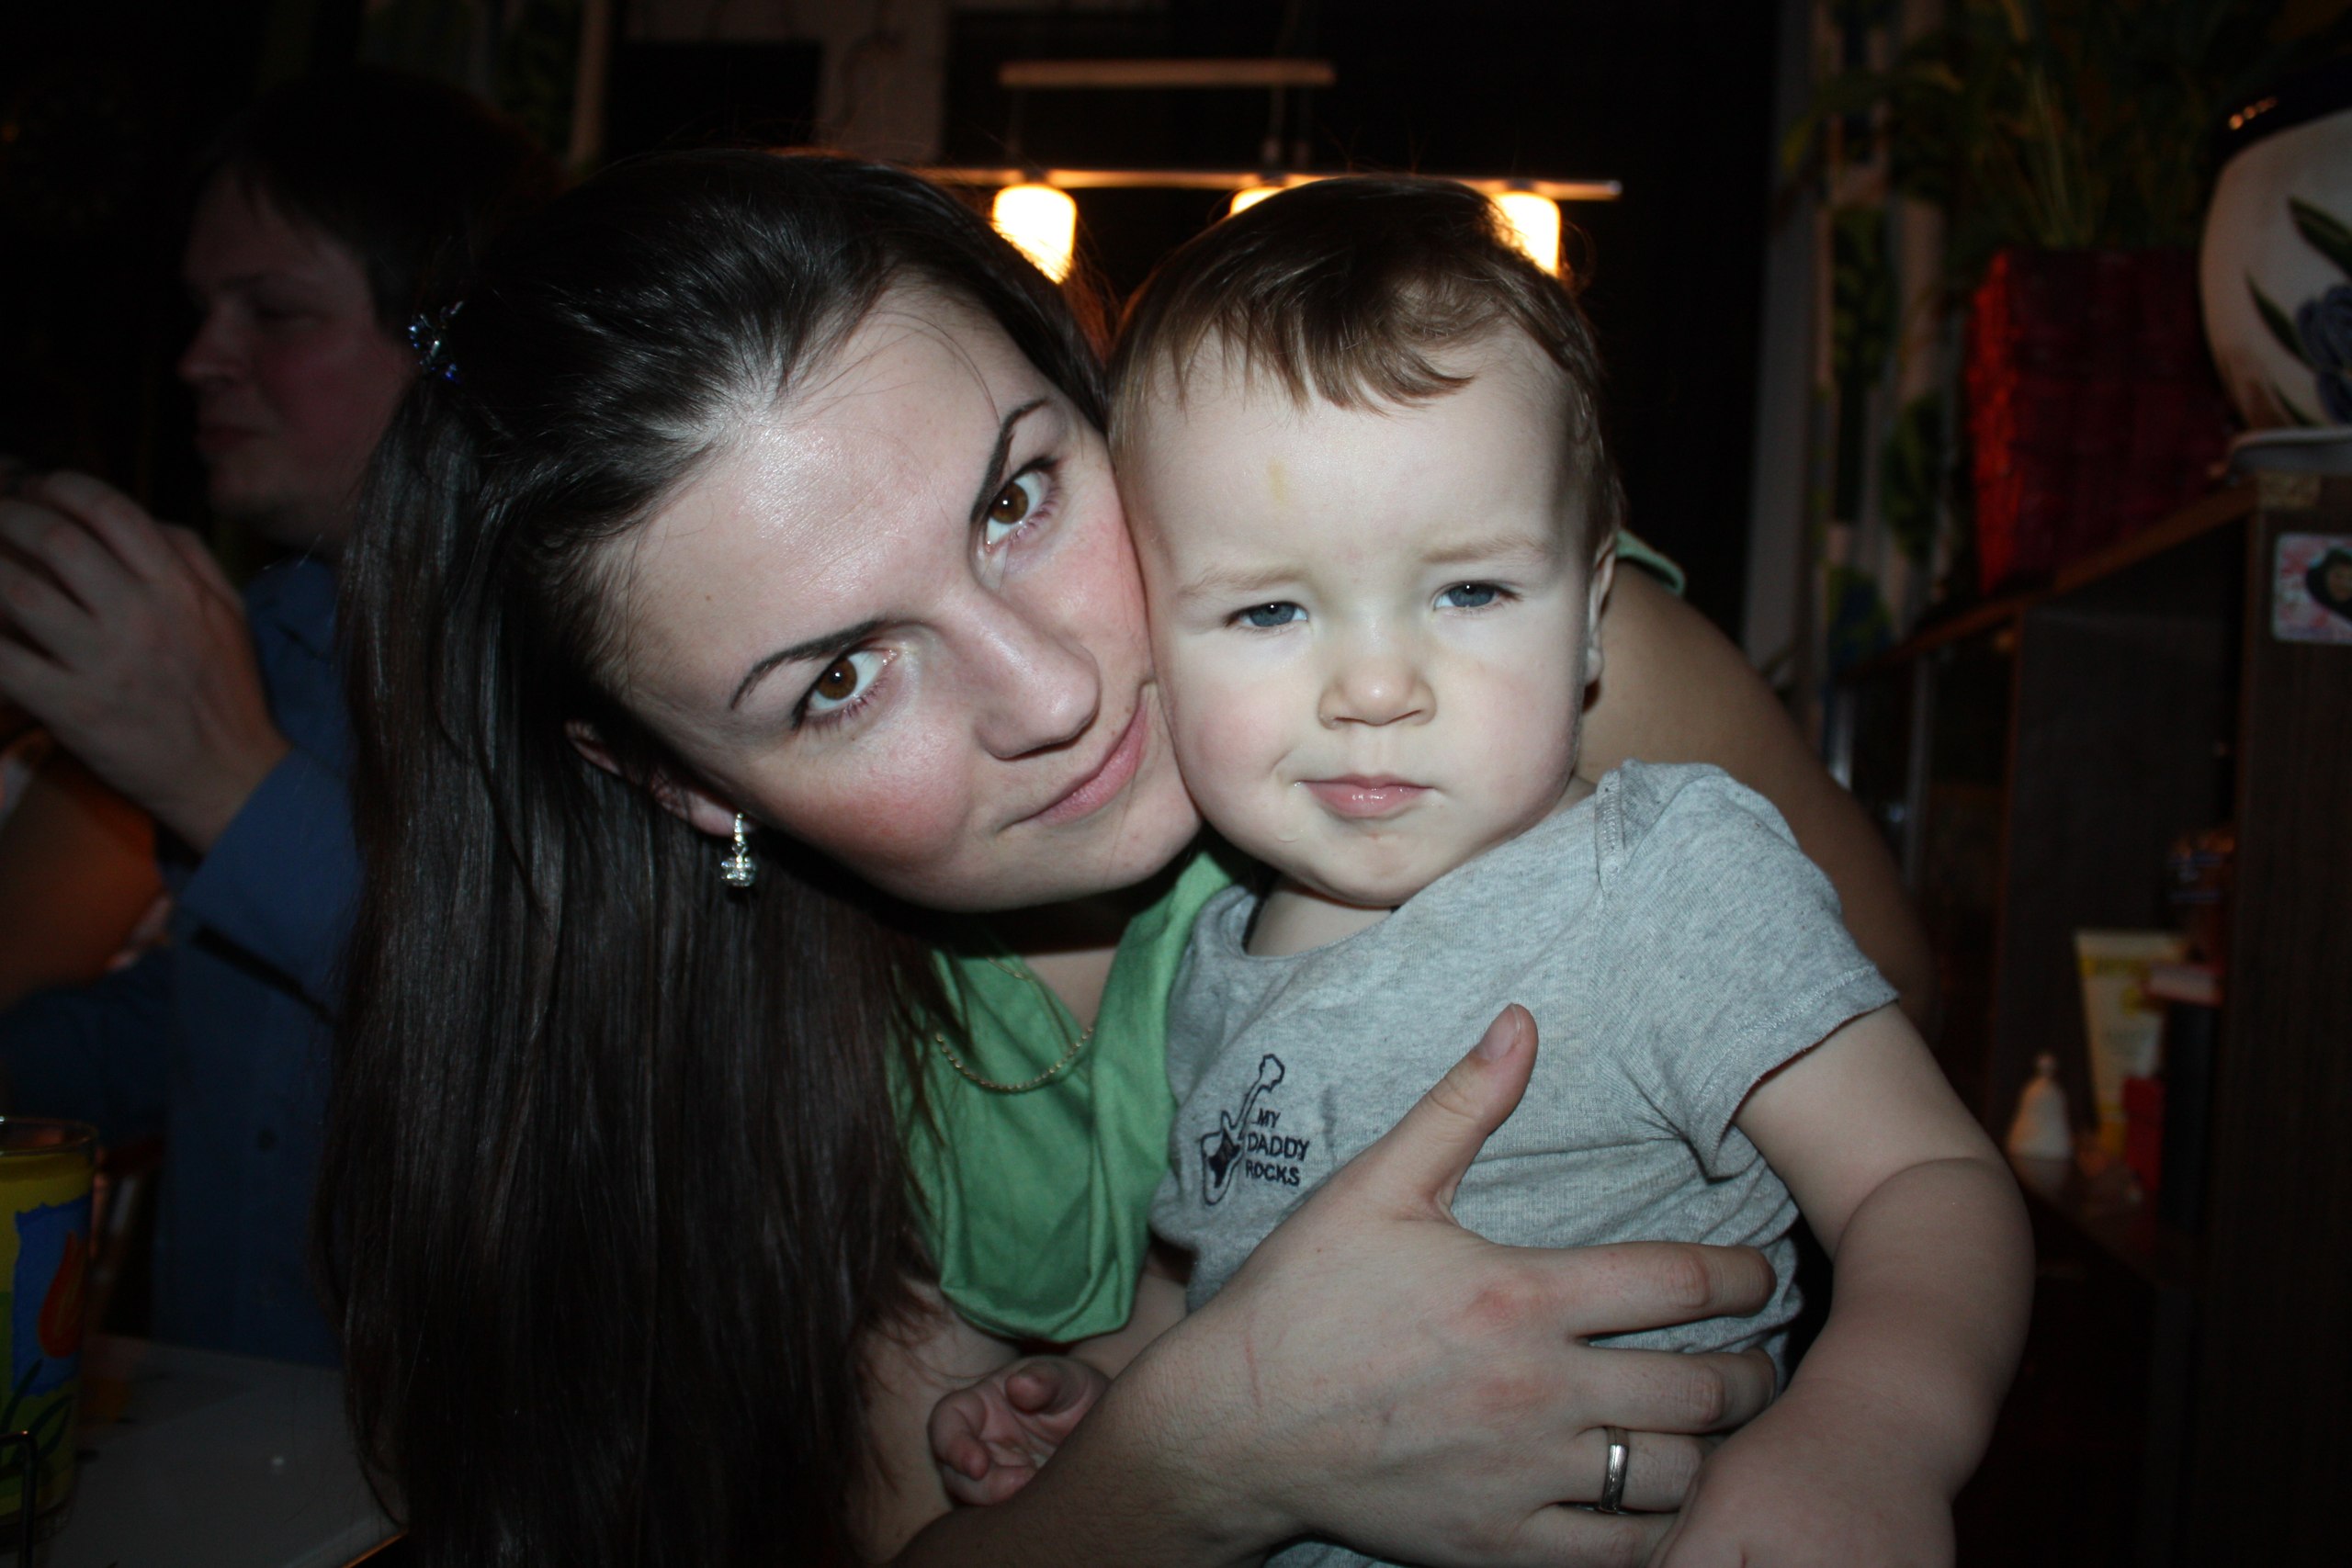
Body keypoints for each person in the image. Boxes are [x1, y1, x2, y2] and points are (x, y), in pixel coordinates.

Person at [324, 150, 1937, 1564]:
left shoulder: (1501, 664)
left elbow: (1880, 1039)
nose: (1056, 693)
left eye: (1016, 498)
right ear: (680, 784)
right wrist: (1202, 1447)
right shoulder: (764, 1067)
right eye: (841, 678)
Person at [923, 177, 2031, 1564]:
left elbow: (1926, 1179)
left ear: (1593, 612)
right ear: (1154, 638)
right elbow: (1214, 1288)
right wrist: (1106, 1404)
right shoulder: (1211, 962)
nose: (1375, 686)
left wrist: (1871, 1432)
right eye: (1269, 609)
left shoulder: (1664, 878)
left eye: (1469, 591)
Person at [0, 71, 560, 1362]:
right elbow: (236, 1033)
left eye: (275, 312)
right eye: (203, 309)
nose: (200, 358)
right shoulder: (275, 632)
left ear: (452, 347)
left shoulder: (588, 652)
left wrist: (221, 783)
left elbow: (548, 1028)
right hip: (223, 1424)